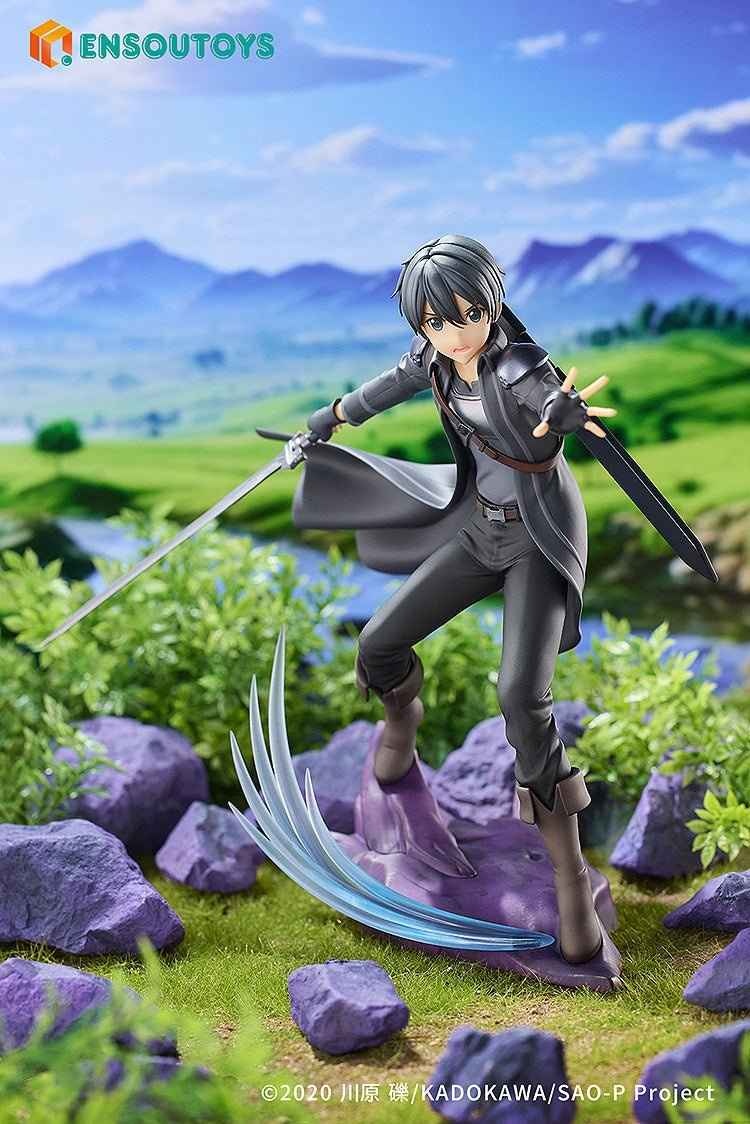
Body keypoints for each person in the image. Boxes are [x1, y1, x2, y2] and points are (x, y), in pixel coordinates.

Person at [304, 234, 618, 965]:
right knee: (378, 642)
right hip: (480, 532)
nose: (457, 331)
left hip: (537, 542)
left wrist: (563, 414)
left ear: (492, 302)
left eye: (470, 313)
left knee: (521, 697)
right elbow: (386, 386)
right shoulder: (437, 360)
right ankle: (401, 723)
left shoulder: (517, 366)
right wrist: (332, 415)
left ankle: (570, 878)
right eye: (437, 321)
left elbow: (546, 403)